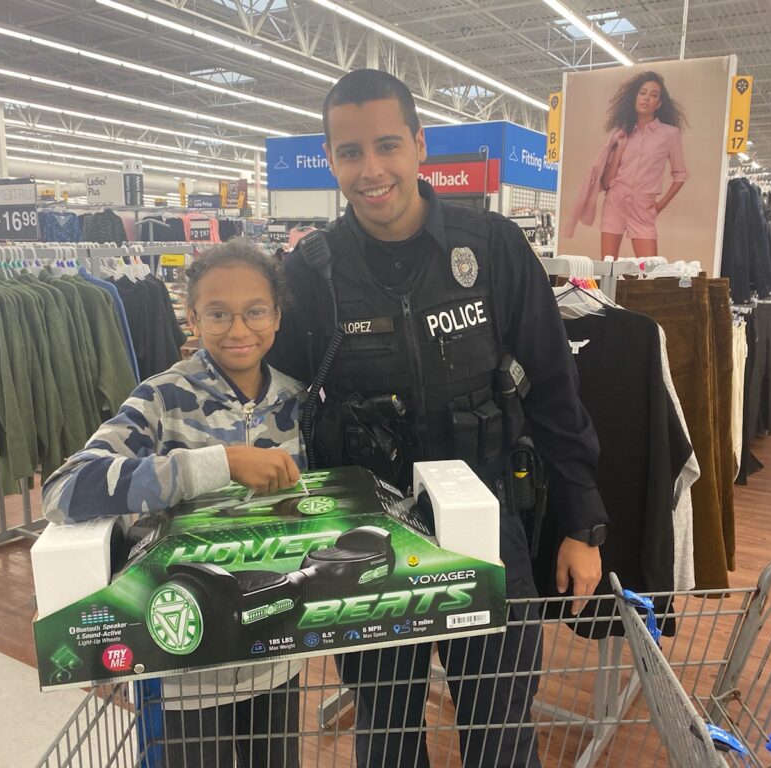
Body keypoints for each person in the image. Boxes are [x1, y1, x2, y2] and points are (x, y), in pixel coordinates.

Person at [268, 69, 608, 768]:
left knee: (500, 733)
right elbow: (275, 402)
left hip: (490, 531)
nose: (372, 170)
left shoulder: (491, 248)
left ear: (420, 146)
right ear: (331, 160)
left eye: (387, 145)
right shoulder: (310, 271)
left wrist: (583, 522)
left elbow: (552, 388)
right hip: (367, 541)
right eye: (350, 152)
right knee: (388, 738)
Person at [42, 240, 304, 768]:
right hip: (182, 652)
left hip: (277, 650)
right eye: (218, 313)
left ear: (276, 315)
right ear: (192, 316)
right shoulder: (161, 398)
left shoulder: (300, 400)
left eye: (255, 311)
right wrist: (218, 463)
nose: (238, 330)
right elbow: (65, 488)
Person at [563, 70, 688, 259]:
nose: (646, 98)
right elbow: (606, 183)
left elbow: (680, 175)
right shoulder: (621, 133)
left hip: (643, 206)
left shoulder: (669, 134)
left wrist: (660, 205)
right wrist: (619, 150)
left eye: (653, 95)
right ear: (635, 97)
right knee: (608, 268)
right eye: (642, 93)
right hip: (615, 202)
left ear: (659, 104)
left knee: (650, 271)